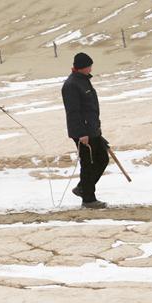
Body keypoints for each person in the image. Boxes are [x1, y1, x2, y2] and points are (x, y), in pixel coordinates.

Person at [61, 52, 109, 209]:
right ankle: (88, 199)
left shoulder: (84, 81)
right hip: (82, 132)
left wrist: (97, 130)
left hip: (92, 129)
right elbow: (73, 112)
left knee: (102, 158)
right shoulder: (71, 85)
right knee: (88, 163)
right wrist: (82, 134)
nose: (91, 68)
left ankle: (83, 187)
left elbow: (90, 108)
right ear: (82, 67)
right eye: (89, 65)